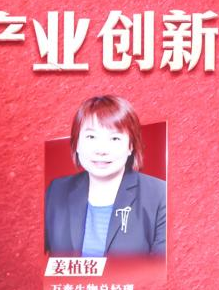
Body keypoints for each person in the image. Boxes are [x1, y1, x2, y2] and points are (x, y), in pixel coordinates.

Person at [44, 96, 167, 258]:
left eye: (114, 138)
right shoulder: (57, 190)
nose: (101, 150)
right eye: (91, 137)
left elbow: (162, 270)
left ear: (130, 146)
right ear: (77, 143)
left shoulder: (161, 195)